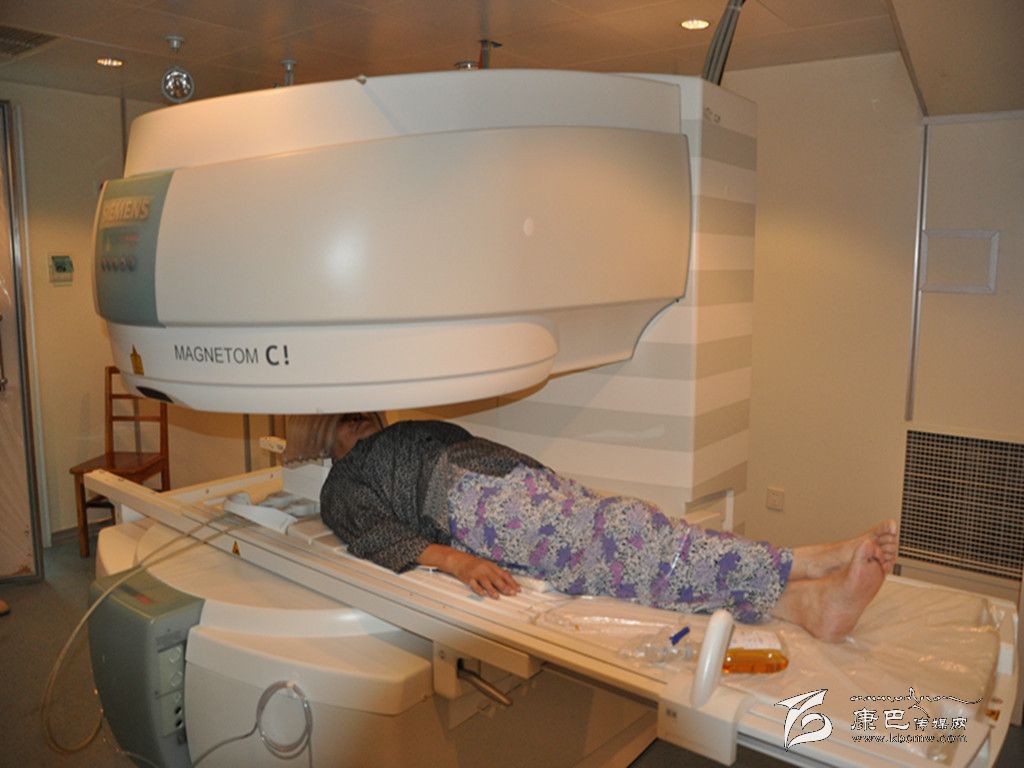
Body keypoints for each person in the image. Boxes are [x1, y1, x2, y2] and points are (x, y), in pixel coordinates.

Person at [315, 415, 898, 642]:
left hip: (517, 481)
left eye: (364, 413)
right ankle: (800, 563)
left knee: (634, 544)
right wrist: (459, 562)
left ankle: (799, 605)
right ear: (323, 436)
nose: (360, 422)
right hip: (472, 506)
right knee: (629, 534)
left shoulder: (403, 429)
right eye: (346, 421)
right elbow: (377, 537)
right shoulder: (341, 484)